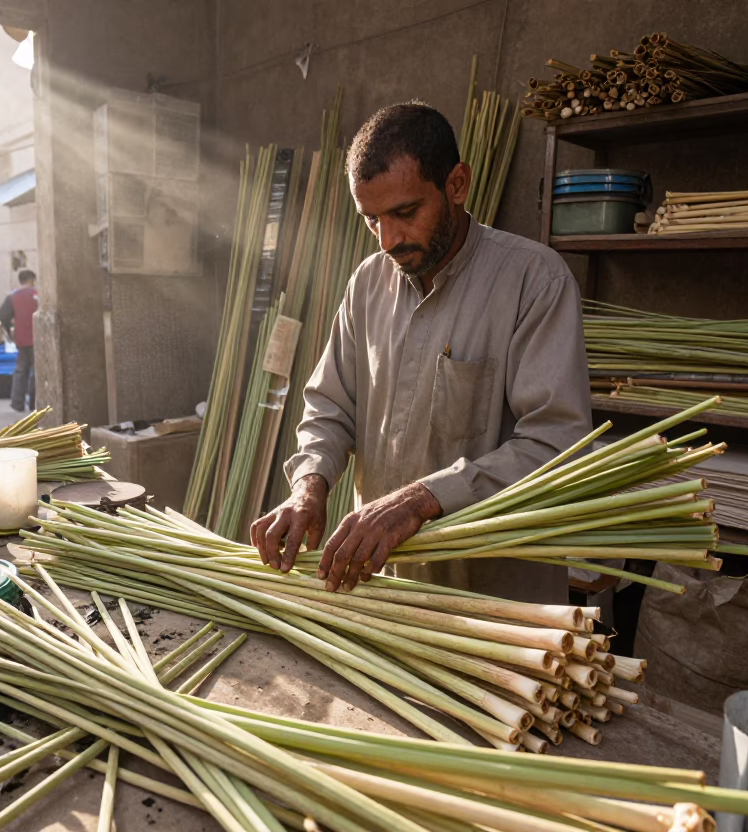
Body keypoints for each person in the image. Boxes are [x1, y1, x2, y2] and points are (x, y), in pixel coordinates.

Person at [251, 102, 592, 602]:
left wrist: (421, 499)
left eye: (405, 213)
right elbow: (329, 408)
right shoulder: (367, 285)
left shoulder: (534, 281)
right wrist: (310, 484)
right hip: (384, 586)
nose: (388, 240)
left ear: (457, 184)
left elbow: (554, 445)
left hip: (496, 599)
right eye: (371, 220)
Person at [0, 269, 38, 412]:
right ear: (32, 280)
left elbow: (2, 316)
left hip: (21, 340)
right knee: (36, 372)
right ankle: (34, 404)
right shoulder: (37, 295)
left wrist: (9, 333)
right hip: (38, 339)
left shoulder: (12, 297)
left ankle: (17, 403)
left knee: (20, 371)